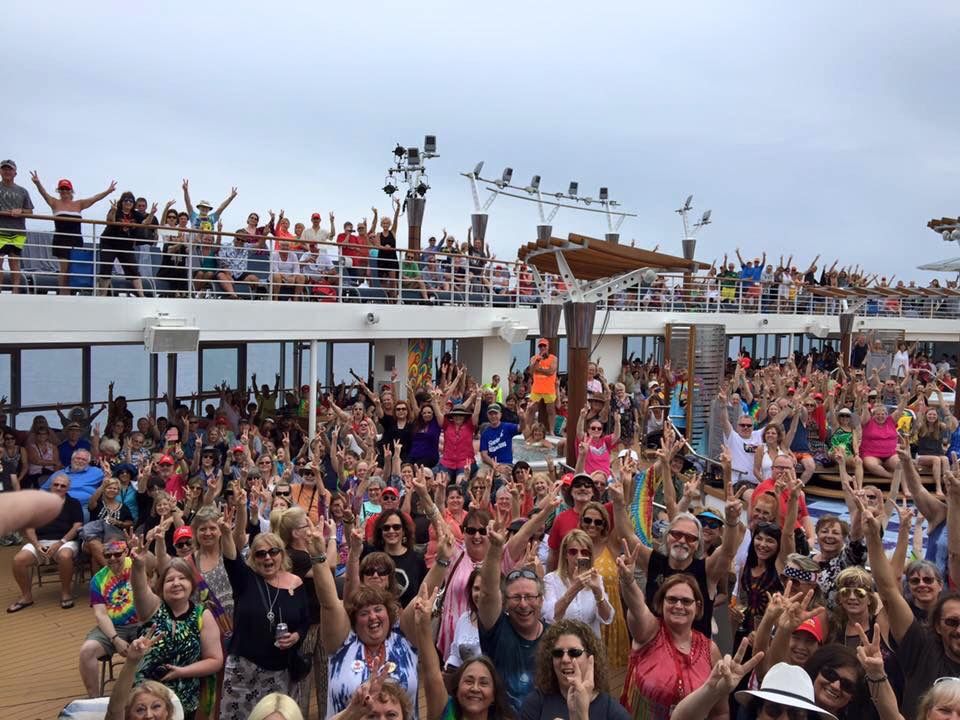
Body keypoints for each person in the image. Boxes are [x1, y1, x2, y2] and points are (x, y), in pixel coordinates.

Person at [219, 510, 311, 720]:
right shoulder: (245, 579)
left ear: (282, 554)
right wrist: (226, 533)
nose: (267, 557)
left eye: (273, 552)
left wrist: (296, 636)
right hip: (243, 670)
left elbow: (305, 620)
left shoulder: (296, 583)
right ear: (253, 558)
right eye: (260, 554)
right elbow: (231, 558)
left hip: (279, 671)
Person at [617, 547, 723, 720]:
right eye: (672, 599)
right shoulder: (649, 632)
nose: (679, 606)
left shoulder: (710, 650)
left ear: (697, 607)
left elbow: (720, 711)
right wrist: (628, 581)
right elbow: (637, 607)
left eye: (686, 601)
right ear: (661, 603)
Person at [128, 535, 223, 720]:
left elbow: (215, 660)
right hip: (145, 703)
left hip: (184, 700)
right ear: (161, 586)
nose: (176, 583)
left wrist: (182, 672)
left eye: (182, 578)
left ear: (191, 585)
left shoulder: (202, 615)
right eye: (170, 580)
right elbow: (139, 589)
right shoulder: (152, 608)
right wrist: (138, 565)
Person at [412, 583, 517, 720]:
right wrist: (423, 626)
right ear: (457, 688)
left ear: (494, 695)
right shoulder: (446, 712)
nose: (475, 688)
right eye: (468, 681)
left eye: (484, 683)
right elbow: (432, 674)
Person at [478, 521, 548, 712]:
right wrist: (495, 549)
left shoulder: (553, 638)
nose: (523, 604)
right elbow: (487, 593)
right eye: (516, 597)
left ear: (541, 600)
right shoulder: (497, 629)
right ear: (505, 602)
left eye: (530, 597)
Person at [521, 618, 631, 720]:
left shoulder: (613, 712)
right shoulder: (535, 704)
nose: (565, 659)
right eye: (558, 653)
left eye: (574, 652)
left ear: (590, 658)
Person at [7, 472, 83, 612]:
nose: (59, 487)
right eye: (56, 484)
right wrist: (37, 545)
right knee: (18, 560)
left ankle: (66, 593)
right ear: (50, 485)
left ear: (68, 488)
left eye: (63, 486)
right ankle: (26, 596)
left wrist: (60, 543)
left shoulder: (74, 503)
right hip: (40, 542)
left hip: (65, 541)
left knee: (65, 556)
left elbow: (77, 525)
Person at [29, 171, 116, 293]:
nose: (64, 191)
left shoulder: (79, 204)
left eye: (67, 189)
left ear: (71, 191)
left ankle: (71, 293)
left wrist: (108, 191)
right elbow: (44, 194)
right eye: (62, 189)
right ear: (59, 191)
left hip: (76, 240)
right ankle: (63, 293)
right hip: (61, 240)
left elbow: (94, 198)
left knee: (74, 269)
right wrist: (37, 183)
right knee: (64, 268)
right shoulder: (54, 202)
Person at [78, 539, 142, 698]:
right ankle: (94, 700)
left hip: (142, 623)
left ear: (126, 552)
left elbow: (154, 563)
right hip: (113, 627)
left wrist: (141, 550)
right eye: (108, 555)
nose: (112, 558)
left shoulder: (137, 564)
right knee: (87, 651)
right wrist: (115, 639)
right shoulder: (98, 579)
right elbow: (100, 614)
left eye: (117, 554)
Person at [542, 529, 613, 637]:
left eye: (584, 552)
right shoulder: (550, 580)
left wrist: (598, 592)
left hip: (590, 643)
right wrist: (575, 588)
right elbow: (551, 617)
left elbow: (607, 618)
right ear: (565, 554)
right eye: (573, 552)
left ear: (589, 556)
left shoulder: (596, 579)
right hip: (562, 642)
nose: (579, 556)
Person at [101, 191, 157, 297]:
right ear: (121, 202)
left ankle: (142, 296)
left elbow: (146, 223)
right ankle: (101, 296)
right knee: (106, 269)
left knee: (133, 270)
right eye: (126, 200)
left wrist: (152, 213)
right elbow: (109, 221)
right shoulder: (116, 210)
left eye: (131, 201)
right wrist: (113, 211)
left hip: (126, 245)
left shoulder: (136, 214)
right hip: (109, 243)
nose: (128, 202)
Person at [0, 159, 33, 293]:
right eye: (4, 169)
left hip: (17, 231)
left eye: (10, 169)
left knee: (14, 262)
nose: (7, 171)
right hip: (0, 230)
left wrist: (21, 211)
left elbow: (30, 211)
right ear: (0, 171)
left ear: (15, 173)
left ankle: (15, 292)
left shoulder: (23, 191)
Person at [530, 339, 558, 432]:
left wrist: (538, 369)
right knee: (532, 409)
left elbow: (551, 371)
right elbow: (531, 371)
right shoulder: (534, 358)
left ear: (548, 347)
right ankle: (529, 429)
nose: (542, 348)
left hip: (549, 389)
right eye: (541, 346)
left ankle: (552, 431)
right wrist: (538, 361)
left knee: (551, 410)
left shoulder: (553, 358)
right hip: (536, 388)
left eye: (544, 346)